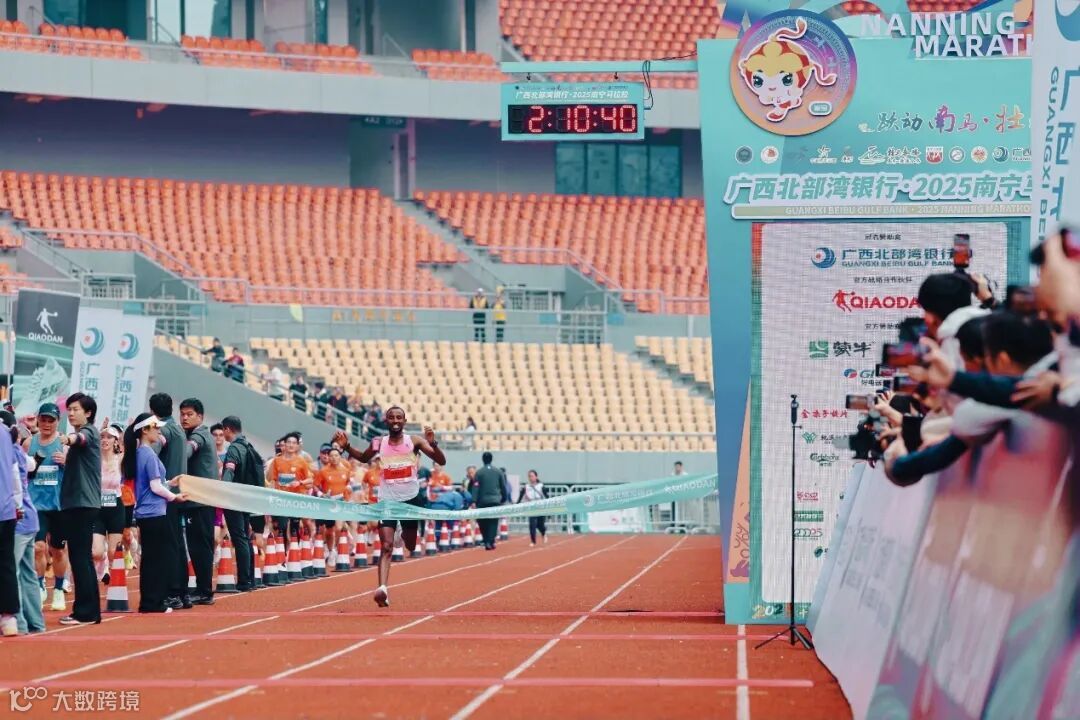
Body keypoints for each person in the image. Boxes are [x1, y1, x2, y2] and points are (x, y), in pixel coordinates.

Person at [334, 406, 445, 607]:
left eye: (399, 417)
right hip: (387, 500)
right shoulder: (379, 442)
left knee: (410, 545)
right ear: (386, 421)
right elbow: (364, 458)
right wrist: (347, 446)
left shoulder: (415, 441)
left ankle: (401, 535)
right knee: (386, 546)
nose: (395, 420)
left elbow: (441, 461)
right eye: (391, 417)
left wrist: (433, 444)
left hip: (410, 499)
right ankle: (382, 589)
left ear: (404, 421)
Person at [125, 413, 187, 613]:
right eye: (156, 428)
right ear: (145, 430)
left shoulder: (140, 453)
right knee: (157, 559)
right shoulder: (148, 454)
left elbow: (152, 485)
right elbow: (154, 487)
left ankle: (150, 601)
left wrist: (169, 483)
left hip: (147, 513)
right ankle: (154, 602)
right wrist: (174, 497)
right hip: (154, 513)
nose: (159, 431)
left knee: (151, 559)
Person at [57, 392, 102, 625]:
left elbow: (80, 439)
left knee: (80, 557)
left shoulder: (88, 432)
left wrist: (67, 439)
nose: (71, 413)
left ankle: (85, 612)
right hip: (80, 503)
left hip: (82, 504)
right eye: (70, 409)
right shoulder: (86, 433)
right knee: (81, 558)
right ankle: (89, 611)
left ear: (88, 412)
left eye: (76, 409)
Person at [25, 402, 67, 612]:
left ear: (58, 421)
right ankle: (41, 584)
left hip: (58, 505)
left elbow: (78, 472)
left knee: (57, 550)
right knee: (39, 548)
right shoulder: (29, 443)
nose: (47, 424)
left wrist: (67, 462)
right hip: (36, 505)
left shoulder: (64, 444)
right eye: (44, 419)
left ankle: (58, 589)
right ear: (39, 420)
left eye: (51, 420)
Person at [150, 393, 190, 611]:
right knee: (177, 544)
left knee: (169, 545)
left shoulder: (163, 430)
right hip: (178, 492)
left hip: (167, 494)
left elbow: (152, 451)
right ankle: (182, 593)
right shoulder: (178, 429)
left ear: (152, 411)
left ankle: (173, 592)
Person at [179, 398, 218, 605]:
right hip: (200, 500)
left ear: (200, 417)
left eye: (189, 414)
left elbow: (188, 450)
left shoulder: (199, 435)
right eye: (182, 414)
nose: (184, 418)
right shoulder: (196, 434)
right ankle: (203, 589)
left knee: (200, 546)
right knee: (199, 545)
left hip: (200, 501)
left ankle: (205, 592)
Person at [10, 415, 44, 634]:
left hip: (18, 519)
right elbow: (32, 464)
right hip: (29, 518)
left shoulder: (10, 453)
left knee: (11, 572)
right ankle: (35, 622)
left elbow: (14, 486)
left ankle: (19, 622)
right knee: (27, 573)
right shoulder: (19, 452)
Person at [220, 415, 261, 590]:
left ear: (228, 429)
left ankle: (244, 581)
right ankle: (250, 579)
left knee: (239, 538)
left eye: (223, 430)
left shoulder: (234, 449)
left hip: (234, 498)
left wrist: (223, 490)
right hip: (247, 497)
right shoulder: (247, 445)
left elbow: (229, 471)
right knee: (245, 537)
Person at [91, 423, 125, 586]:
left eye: (109, 437)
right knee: (96, 553)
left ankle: (115, 580)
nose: (104, 440)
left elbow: (132, 444)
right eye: (102, 437)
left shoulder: (120, 458)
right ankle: (102, 561)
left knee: (114, 552)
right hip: (97, 508)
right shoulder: (94, 459)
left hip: (116, 508)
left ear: (116, 441)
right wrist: (99, 429)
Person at [266, 432, 313, 543]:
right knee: (281, 527)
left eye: (294, 443)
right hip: (282, 499)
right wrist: (272, 496)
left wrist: (300, 483)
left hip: (296, 499)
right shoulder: (277, 461)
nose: (291, 445)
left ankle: (294, 551)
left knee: (294, 528)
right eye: (289, 442)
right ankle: (283, 552)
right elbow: (273, 480)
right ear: (284, 444)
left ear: (297, 445)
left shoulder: (301, 461)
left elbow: (310, 480)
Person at [0, 410, 22, 636]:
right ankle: (8, 618)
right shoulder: (5, 433)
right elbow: (15, 472)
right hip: (7, 509)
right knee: (6, 563)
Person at [314, 446, 352, 562]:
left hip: (341, 502)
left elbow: (348, 484)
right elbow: (315, 485)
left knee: (339, 527)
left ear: (340, 457)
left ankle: (335, 548)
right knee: (329, 530)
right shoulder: (323, 471)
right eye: (331, 456)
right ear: (328, 458)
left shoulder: (345, 470)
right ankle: (330, 551)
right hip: (328, 503)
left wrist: (348, 491)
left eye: (336, 455)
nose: (334, 458)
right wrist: (321, 494)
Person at [473, 452, 508, 550]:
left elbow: (476, 487)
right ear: (491, 459)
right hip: (495, 500)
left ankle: (486, 540)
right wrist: (504, 498)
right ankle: (491, 541)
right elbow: (503, 486)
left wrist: (474, 500)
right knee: (493, 521)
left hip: (482, 501)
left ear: (483, 460)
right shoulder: (498, 472)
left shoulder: (479, 472)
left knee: (482, 521)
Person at [517, 469, 548, 546]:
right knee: (532, 524)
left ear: (536, 477)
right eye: (529, 476)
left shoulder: (541, 486)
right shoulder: (526, 486)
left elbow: (547, 497)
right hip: (531, 508)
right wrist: (517, 504)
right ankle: (533, 541)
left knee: (540, 525)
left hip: (540, 507)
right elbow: (521, 496)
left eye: (532, 476)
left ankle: (543, 533)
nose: (530, 478)